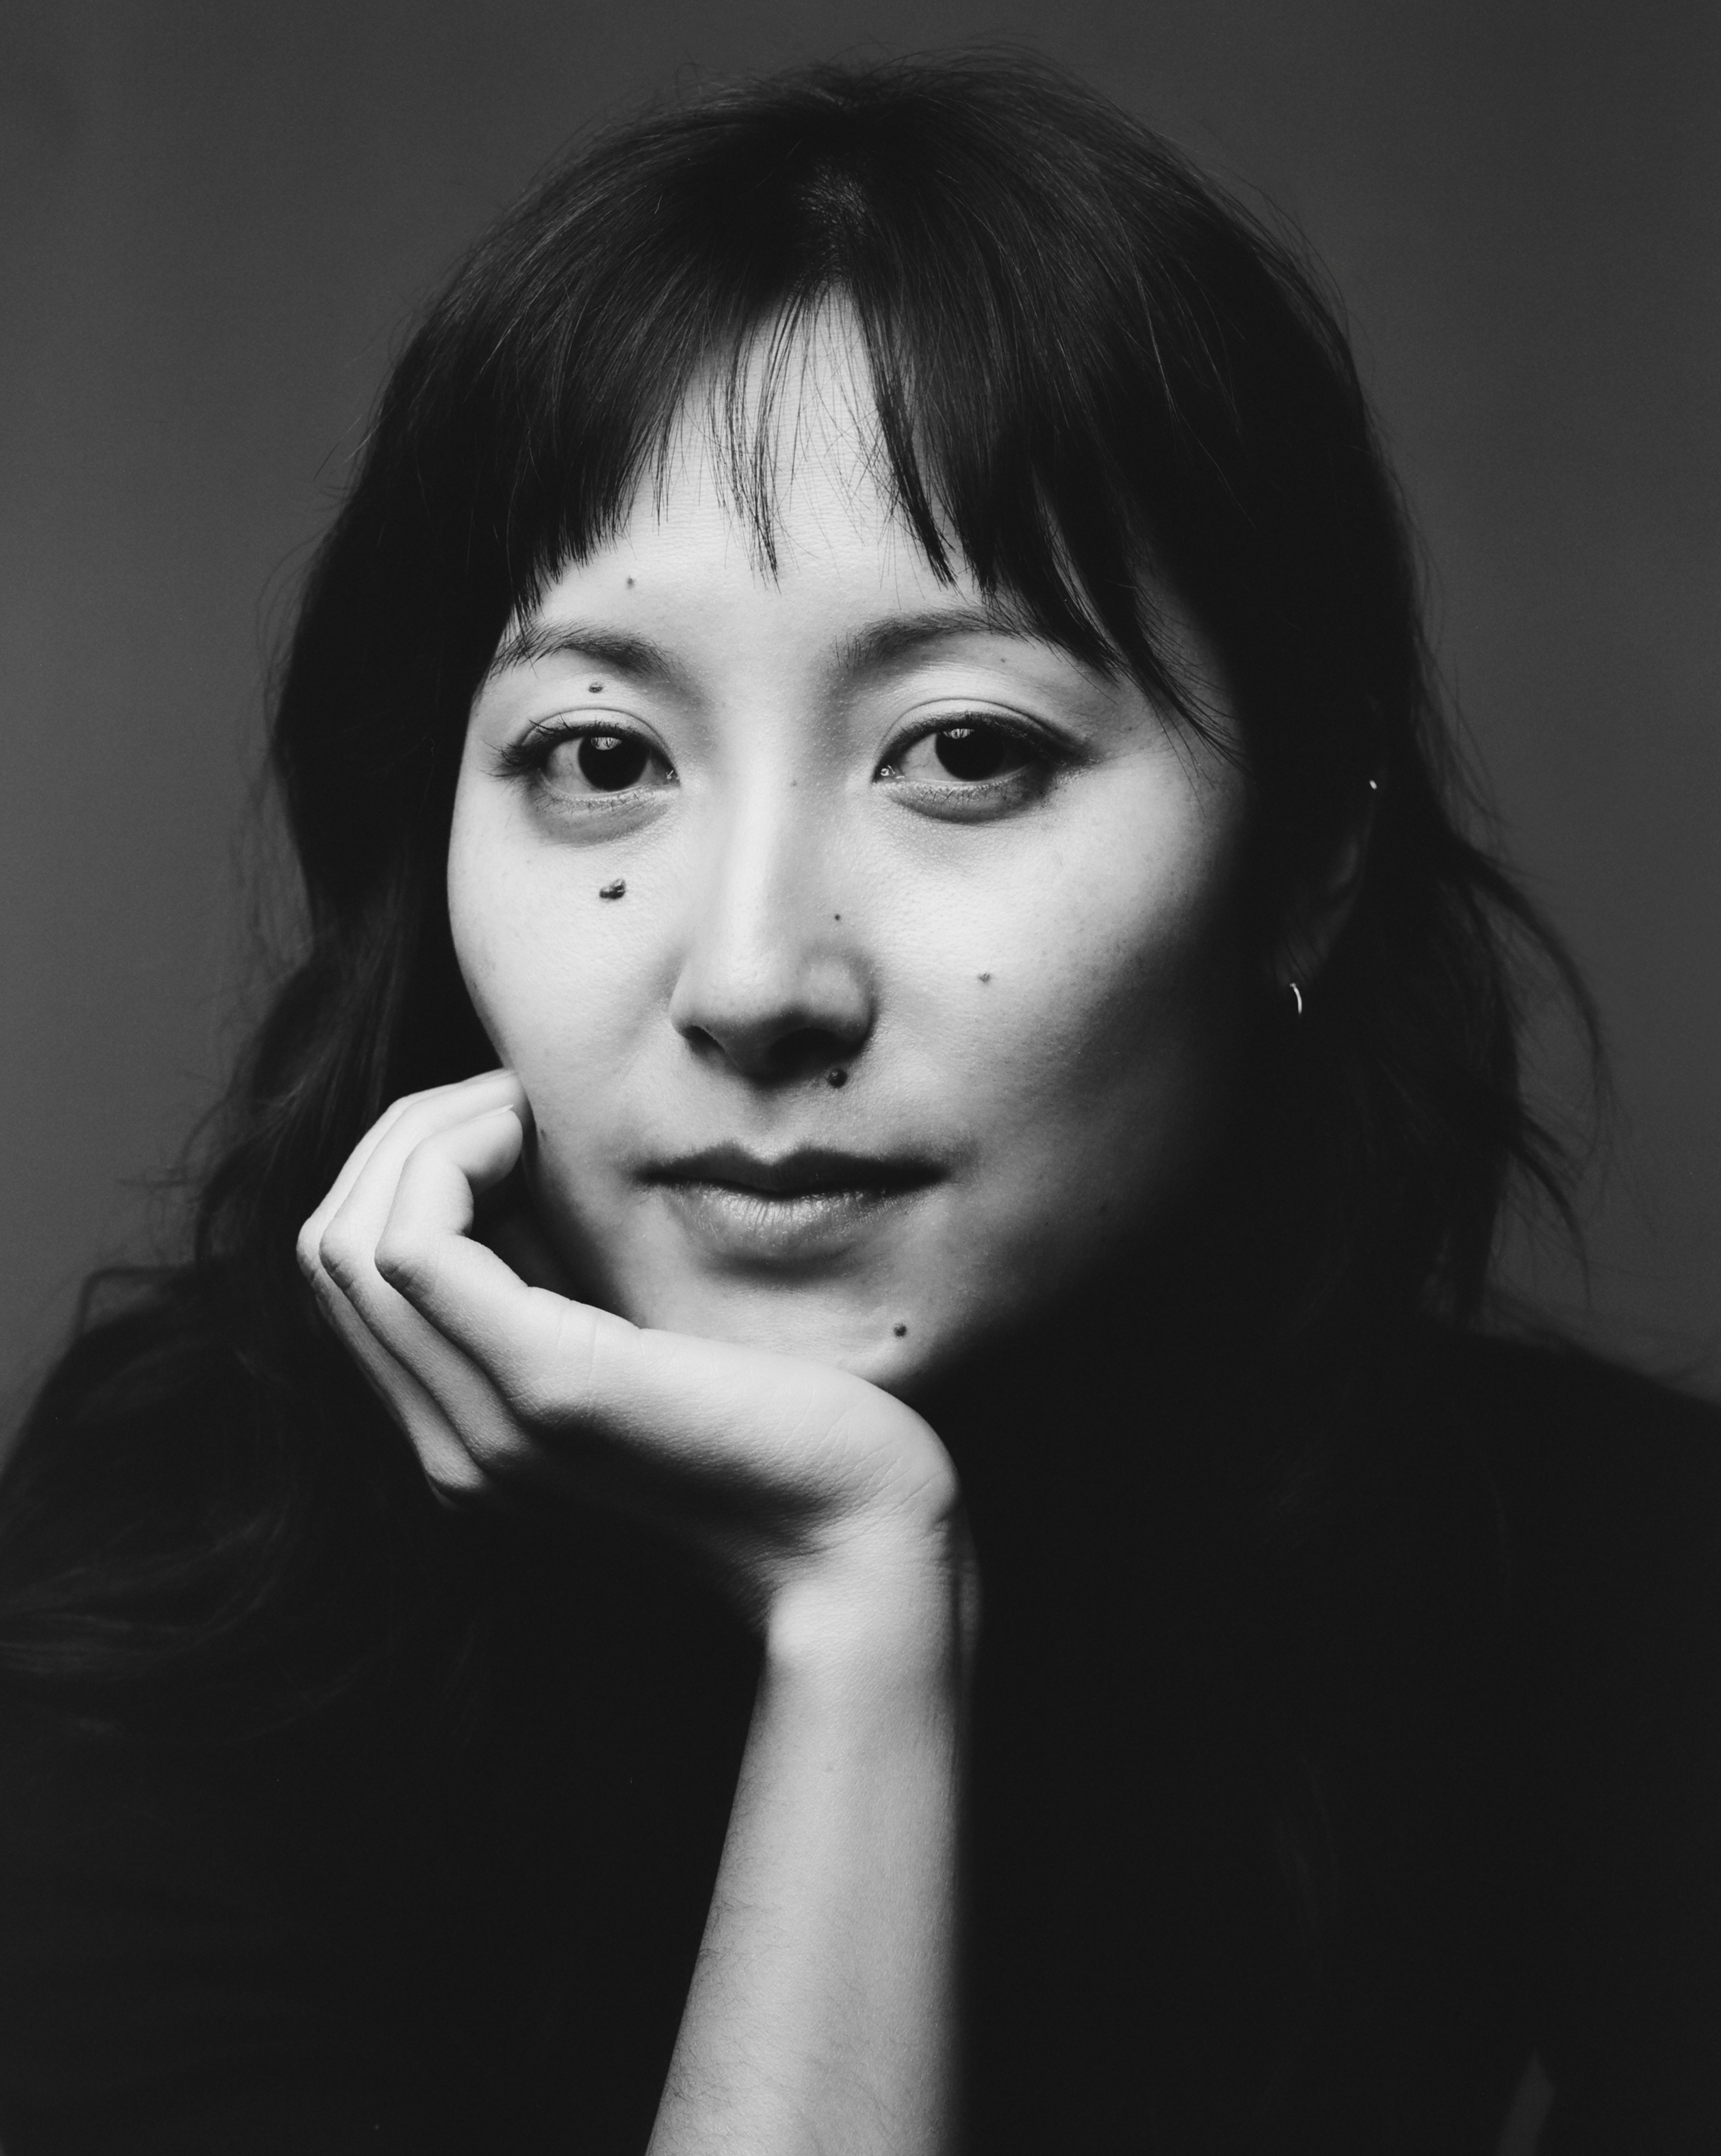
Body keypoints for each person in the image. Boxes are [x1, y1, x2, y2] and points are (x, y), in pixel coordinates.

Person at [0, 51, 1716, 2155]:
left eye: (966, 752)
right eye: (599, 758)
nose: (751, 980)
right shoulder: (185, 1569)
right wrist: (848, 1602)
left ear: (1306, 865)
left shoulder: (1611, 1595)